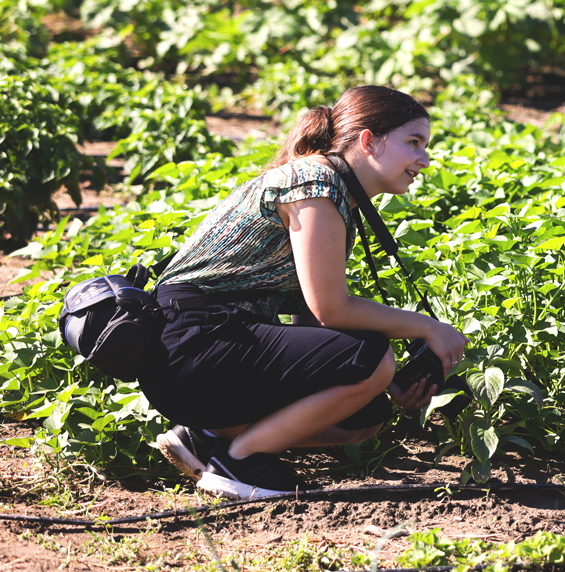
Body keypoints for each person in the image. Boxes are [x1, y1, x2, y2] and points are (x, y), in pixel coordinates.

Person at [144, 85, 468, 499]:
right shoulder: (315, 181)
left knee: (364, 415)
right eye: (414, 142)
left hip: (205, 350)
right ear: (369, 140)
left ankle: (205, 438)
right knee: (370, 356)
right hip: (194, 343)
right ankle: (239, 462)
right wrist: (426, 328)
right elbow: (330, 308)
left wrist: (384, 385)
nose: (424, 159)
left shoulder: (335, 191)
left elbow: (312, 319)